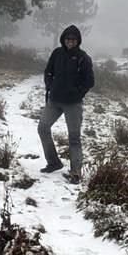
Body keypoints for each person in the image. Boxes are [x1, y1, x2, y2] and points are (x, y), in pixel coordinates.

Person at [38, 24, 95, 184]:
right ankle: (54, 162)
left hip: (73, 104)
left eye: (73, 39)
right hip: (54, 100)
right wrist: (50, 85)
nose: (70, 41)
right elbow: (48, 71)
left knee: (74, 138)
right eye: (68, 39)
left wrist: (77, 93)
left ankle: (75, 172)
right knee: (42, 128)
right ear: (63, 39)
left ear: (78, 41)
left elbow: (89, 81)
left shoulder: (83, 58)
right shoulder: (57, 53)